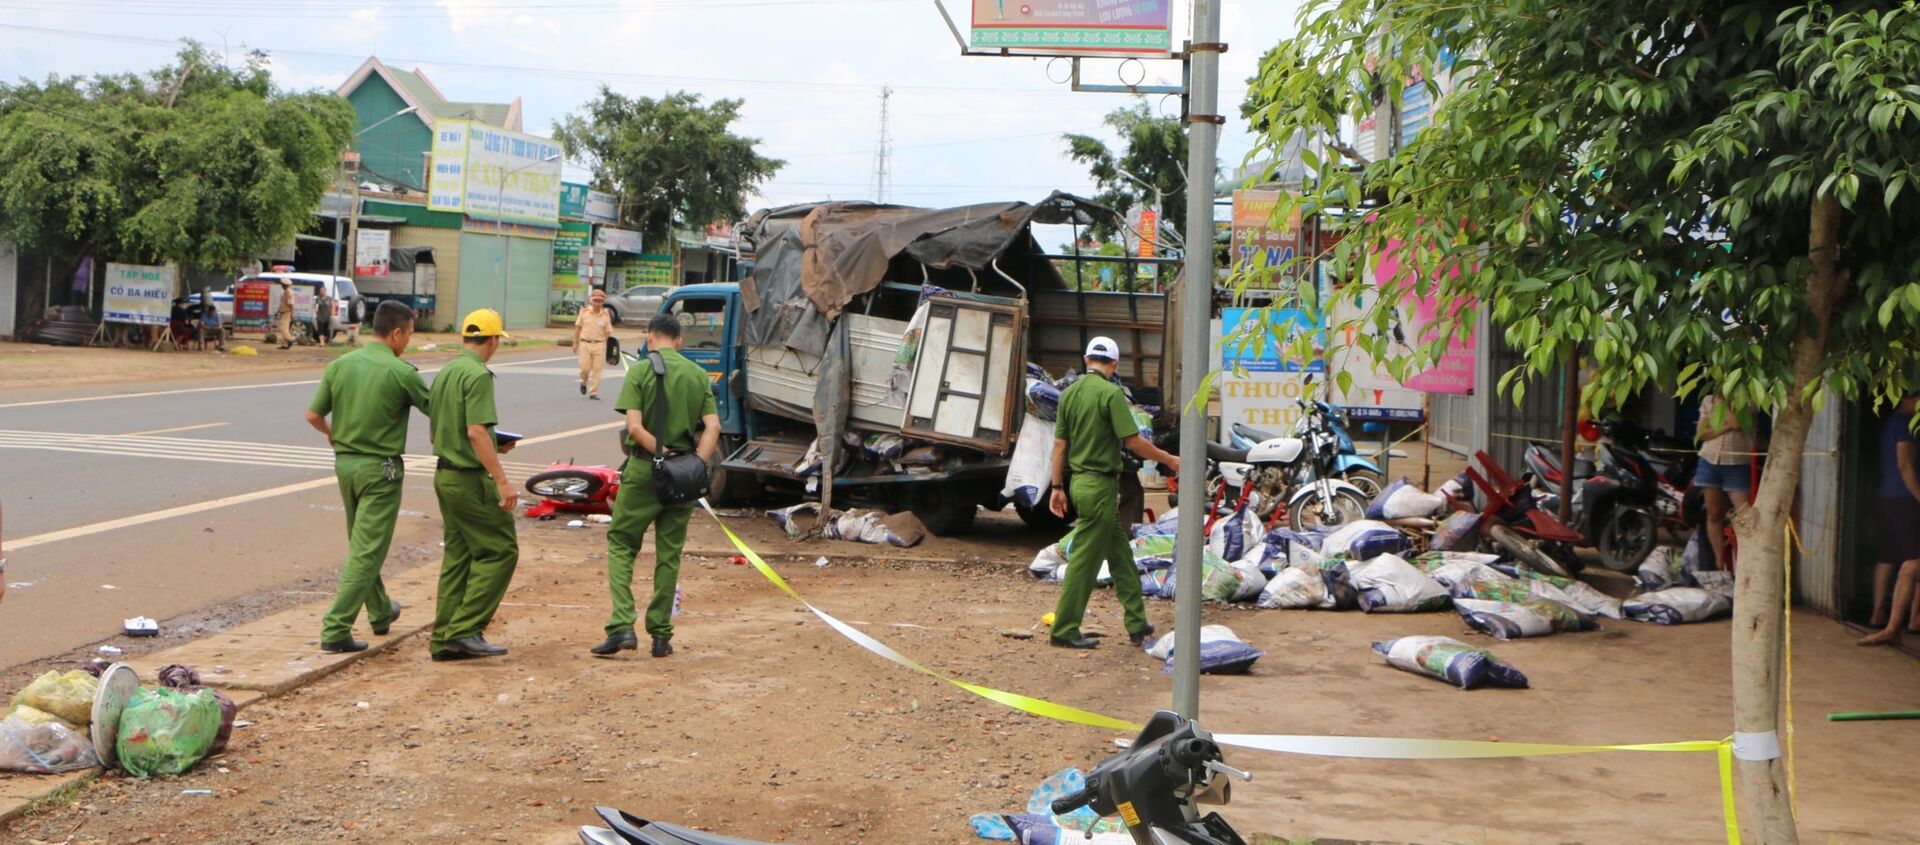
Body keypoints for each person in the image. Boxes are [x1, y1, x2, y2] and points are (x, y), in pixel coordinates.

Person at [303, 302, 431, 653]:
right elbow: (437, 409)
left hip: (345, 465)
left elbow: (313, 414)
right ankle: (335, 628)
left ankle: (379, 612)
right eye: (408, 335)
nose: (408, 343)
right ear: (396, 333)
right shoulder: (401, 372)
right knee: (367, 551)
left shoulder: (340, 365)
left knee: (362, 545)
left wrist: (333, 434)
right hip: (381, 468)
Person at [592, 313, 720, 658]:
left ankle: (622, 625)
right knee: (669, 553)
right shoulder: (697, 375)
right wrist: (695, 465)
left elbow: (634, 427)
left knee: (621, 543)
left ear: (650, 339)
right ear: (679, 341)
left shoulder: (641, 370)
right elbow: (712, 427)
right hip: (683, 478)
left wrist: (660, 455)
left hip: (644, 471)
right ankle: (661, 635)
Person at [1046, 337, 1179, 649]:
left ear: (1086, 359)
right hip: (1102, 486)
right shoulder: (1111, 394)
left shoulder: (1069, 394)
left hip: (1079, 483)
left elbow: (1059, 446)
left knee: (1120, 556)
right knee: (1084, 561)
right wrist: (1169, 459)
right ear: (1115, 365)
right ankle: (1064, 629)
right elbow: (1132, 442)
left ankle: (1136, 623)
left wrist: (1056, 487)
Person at [427, 308, 520, 661]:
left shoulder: (447, 371)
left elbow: (438, 430)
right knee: (500, 551)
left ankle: (444, 639)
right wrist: (502, 480)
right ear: (493, 340)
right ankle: (465, 629)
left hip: (445, 475)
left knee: (459, 556)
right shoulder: (478, 376)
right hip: (468, 480)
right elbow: (476, 430)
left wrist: (492, 445)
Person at [1862, 397, 1920, 646]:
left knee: (1894, 558)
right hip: (1904, 497)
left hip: (1889, 496)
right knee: (1913, 560)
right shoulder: (1905, 425)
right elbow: (1905, 464)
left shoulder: (1892, 423)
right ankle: (1906, 622)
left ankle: (1883, 617)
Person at [1693, 392, 1754, 571]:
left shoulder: (1748, 398)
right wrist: (1726, 427)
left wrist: (1721, 406)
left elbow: (1737, 422)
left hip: (1736, 462)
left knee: (1745, 517)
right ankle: (1720, 563)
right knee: (1713, 513)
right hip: (1709, 460)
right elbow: (1701, 433)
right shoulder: (1707, 399)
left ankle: (1745, 564)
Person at [574, 288, 616, 401]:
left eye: (600, 301)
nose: (597, 303)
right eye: (595, 300)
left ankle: (593, 392)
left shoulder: (606, 316)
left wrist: (607, 347)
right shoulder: (584, 312)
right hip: (585, 343)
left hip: (599, 345)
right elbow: (578, 328)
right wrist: (575, 342)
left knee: (597, 370)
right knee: (585, 368)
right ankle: (584, 381)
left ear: (603, 302)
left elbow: (608, 332)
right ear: (591, 301)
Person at [274, 279, 296, 350]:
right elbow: (282, 303)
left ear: (284, 285)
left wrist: (292, 314)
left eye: (282, 284)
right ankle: (286, 345)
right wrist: (277, 312)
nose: (281, 285)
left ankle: (291, 339)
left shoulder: (289, 292)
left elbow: (291, 305)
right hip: (283, 312)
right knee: (285, 329)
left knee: (282, 328)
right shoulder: (285, 292)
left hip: (287, 312)